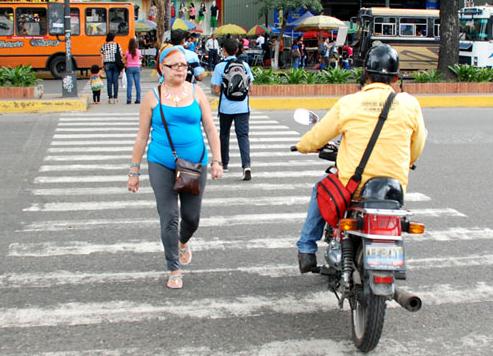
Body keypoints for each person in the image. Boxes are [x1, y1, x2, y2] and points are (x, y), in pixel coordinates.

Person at [293, 44, 427, 273]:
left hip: (353, 188)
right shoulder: (409, 104)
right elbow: (418, 144)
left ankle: (306, 248)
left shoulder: (349, 103)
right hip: (394, 190)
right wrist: (409, 161)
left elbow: (317, 136)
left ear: (365, 73)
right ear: (396, 77)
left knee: (320, 188)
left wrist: (301, 146)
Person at [127, 46, 223, 289]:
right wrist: (134, 171)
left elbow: (211, 128)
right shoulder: (153, 96)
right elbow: (141, 136)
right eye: (175, 65)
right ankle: (173, 268)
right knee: (169, 216)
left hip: (194, 163)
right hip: (161, 163)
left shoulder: (196, 92)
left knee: (191, 218)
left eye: (184, 65)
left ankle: (182, 242)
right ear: (162, 68)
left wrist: (216, 160)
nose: (181, 69)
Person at [211, 38, 254, 181]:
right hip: (242, 107)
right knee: (243, 136)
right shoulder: (245, 65)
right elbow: (251, 88)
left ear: (223, 50)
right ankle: (246, 166)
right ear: (237, 50)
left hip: (225, 108)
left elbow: (216, 90)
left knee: (224, 134)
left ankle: (224, 163)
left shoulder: (219, 67)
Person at [100, 32, 123, 104]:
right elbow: (121, 55)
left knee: (109, 82)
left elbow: (102, 57)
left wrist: (102, 66)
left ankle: (110, 98)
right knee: (115, 81)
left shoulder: (104, 46)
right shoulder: (117, 45)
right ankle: (115, 98)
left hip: (107, 64)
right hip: (116, 64)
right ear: (113, 38)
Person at [124, 37, 142, 104]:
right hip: (137, 68)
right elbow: (140, 57)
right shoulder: (138, 51)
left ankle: (129, 99)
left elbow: (125, 58)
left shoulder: (127, 51)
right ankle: (138, 99)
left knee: (129, 85)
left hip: (129, 68)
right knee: (137, 84)